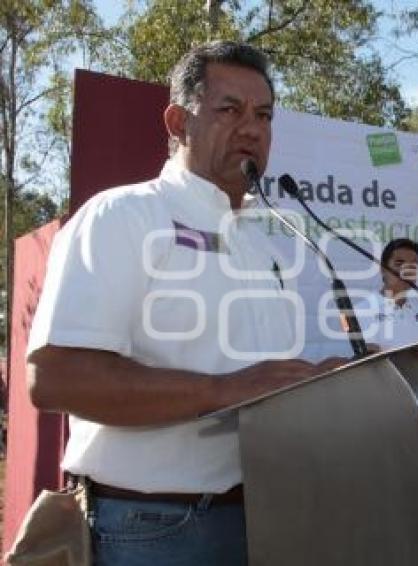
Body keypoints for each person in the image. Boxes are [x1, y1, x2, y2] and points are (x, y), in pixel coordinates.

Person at [25, 41, 345, 565]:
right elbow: (57, 377)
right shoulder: (123, 215)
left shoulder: (264, 241)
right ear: (178, 121)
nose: (251, 128)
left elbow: (255, 379)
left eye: (263, 115)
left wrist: (325, 381)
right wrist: (222, 391)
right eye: (229, 110)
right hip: (155, 527)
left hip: (266, 515)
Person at [355, 238, 418, 350]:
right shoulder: (361, 310)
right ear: (383, 269)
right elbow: (367, 357)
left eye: (412, 266)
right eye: (399, 263)